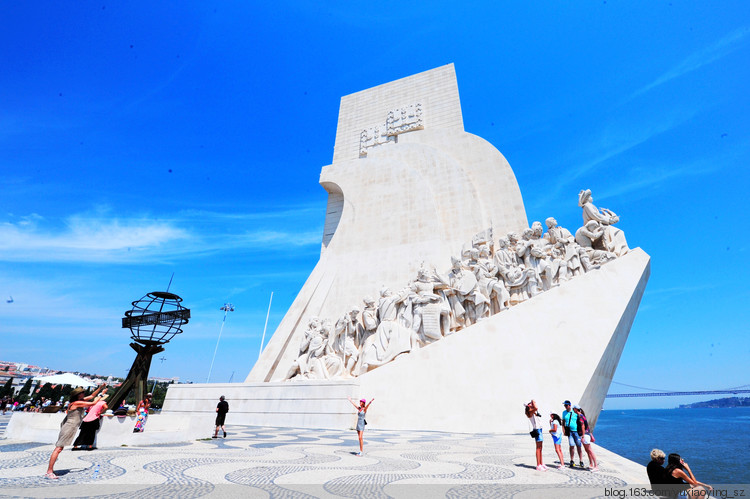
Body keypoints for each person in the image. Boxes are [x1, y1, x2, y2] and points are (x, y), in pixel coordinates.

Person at [45, 385, 106, 479]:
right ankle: (49, 471)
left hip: (71, 426)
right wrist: (102, 395)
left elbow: (92, 396)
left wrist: (100, 388)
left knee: (59, 448)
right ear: (78, 395)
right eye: (83, 392)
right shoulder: (77, 403)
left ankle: (50, 470)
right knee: (58, 449)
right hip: (69, 427)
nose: (84, 393)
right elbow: (93, 403)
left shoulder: (78, 401)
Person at [574, 405, 598, 471]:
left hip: (585, 435)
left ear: (576, 409)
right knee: (587, 450)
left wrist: (583, 436)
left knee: (590, 450)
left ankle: (596, 466)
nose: (573, 410)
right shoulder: (582, 415)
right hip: (586, 434)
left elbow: (583, 427)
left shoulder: (580, 416)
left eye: (574, 409)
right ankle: (591, 464)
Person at [525, 400, 546, 471]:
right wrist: (533, 400)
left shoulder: (533, 412)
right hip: (537, 430)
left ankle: (541, 463)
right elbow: (536, 407)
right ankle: (538, 465)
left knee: (540, 447)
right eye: (530, 404)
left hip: (539, 429)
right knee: (538, 448)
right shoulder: (530, 412)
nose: (532, 404)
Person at [562, 400, 583, 468]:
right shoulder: (564, 413)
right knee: (571, 445)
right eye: (564, 405)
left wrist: (582, 432)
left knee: (579, 446)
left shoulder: (574, 412)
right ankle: (572, 460)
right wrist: (564, 431)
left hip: (576, 431)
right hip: (569, 432)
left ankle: (581, 460)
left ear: (569, 405)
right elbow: (563, 422)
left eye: (566, 405)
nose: (565, 406)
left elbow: (581, 421)